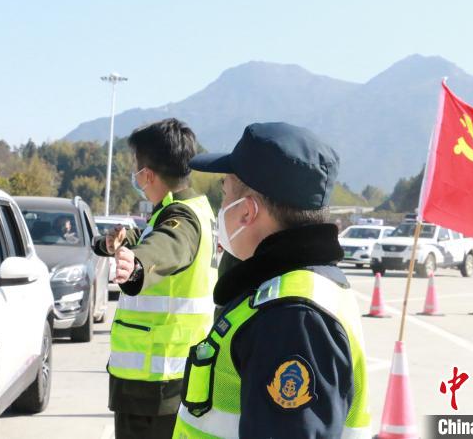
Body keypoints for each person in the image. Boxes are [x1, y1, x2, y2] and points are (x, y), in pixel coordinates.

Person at [173, 122, 371, 439]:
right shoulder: (288, 292)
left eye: (224, 195)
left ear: (248, 211)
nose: (220, 208)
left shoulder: (293, 318)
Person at [92, 118, 217, 439]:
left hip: (155, 384)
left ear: (146, 175)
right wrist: (115, 244)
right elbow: (155, 236)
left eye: (136, 168)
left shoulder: (182, 219)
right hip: (163, 379)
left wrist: (137, 265)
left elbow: (167, 246)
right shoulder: (187, 209)